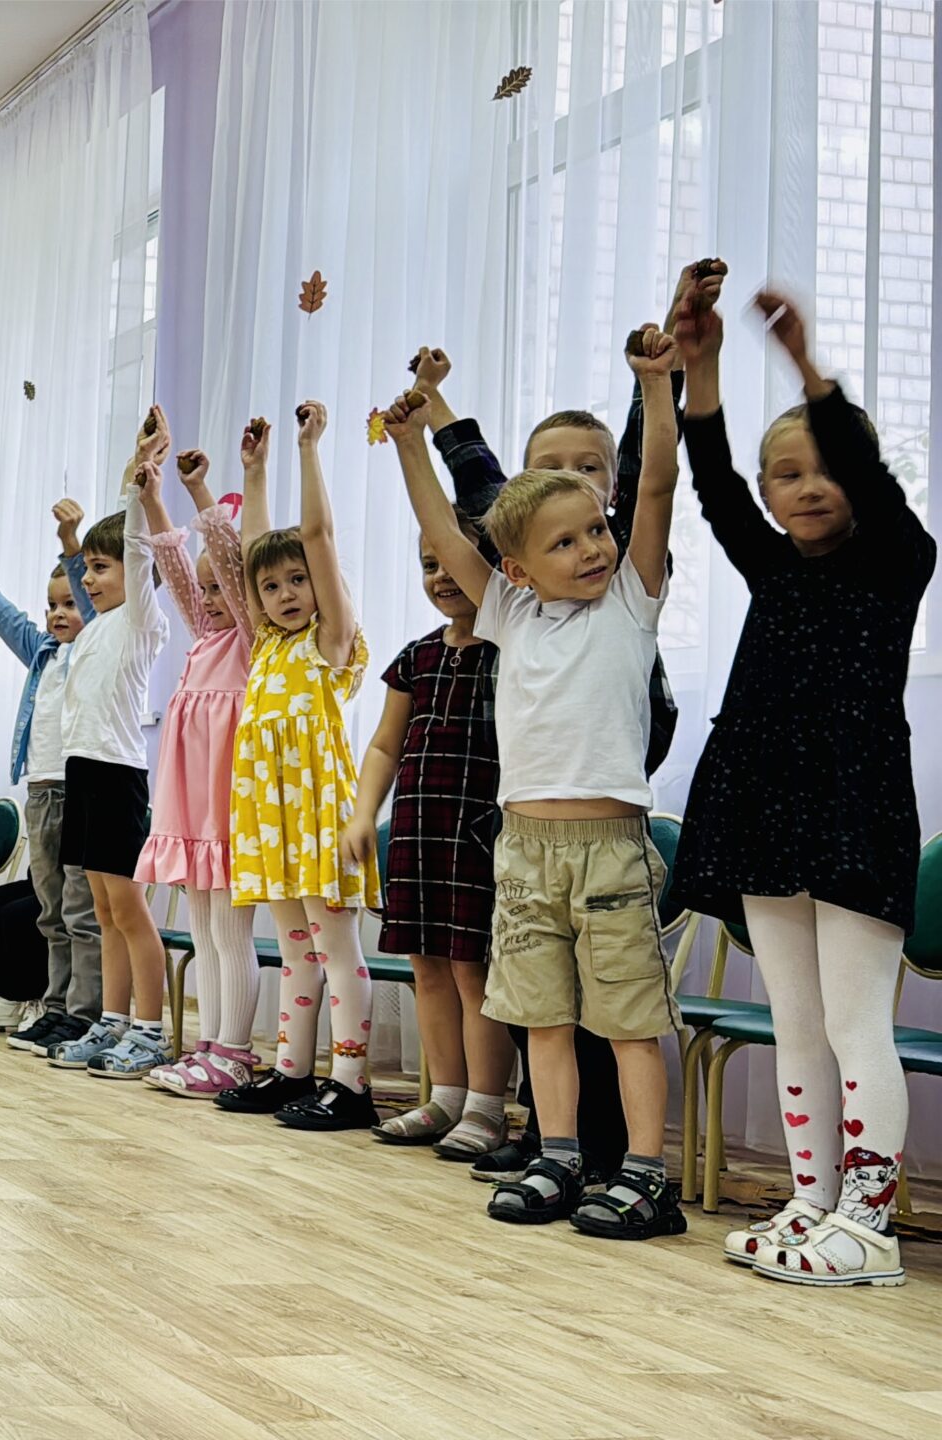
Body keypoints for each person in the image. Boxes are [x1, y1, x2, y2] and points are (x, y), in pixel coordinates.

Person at [393, 315, 688, 1241]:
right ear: (518, 569)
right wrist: (409, 445)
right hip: (523, 850)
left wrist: (655, 384)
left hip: (608, 851)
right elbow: (442, 527)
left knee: (627, 1021)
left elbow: (657, 485)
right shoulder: (508, 614)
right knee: (545, 1019)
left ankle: (646, 1173)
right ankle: (557, 1154)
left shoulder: (632, 600)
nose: (592, 548)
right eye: (565, 543)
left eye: (595, 530)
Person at [675, 273, 930, 1286]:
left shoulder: (898, 558)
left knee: (854, 1020)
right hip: (763, 804)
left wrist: (805, 365)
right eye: (787, 474)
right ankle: (813, 1201)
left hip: (854, 809)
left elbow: (863, 471)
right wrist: (700, 368)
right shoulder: (771, 566)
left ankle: (869, 1227)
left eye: (827, 468)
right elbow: (711, 483)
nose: (809, 486)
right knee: (796, 1021)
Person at [213, 405, 382, 1130]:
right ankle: (291, 1072)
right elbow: (254, 549)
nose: (284, 594)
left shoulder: (331, 640)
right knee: (292, 949)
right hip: (270, 816)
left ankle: (351, 1082)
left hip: (318, 813)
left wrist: (309, 449)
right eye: (272, 587)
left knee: (336, 948)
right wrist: (252, 473)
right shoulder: (267, 644)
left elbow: (318, 536)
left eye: (298, 581)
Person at [343, 513, 513, 1161]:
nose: (442, 576)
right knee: (427, 967)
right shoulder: (415, 658)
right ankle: (445, 1097)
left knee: (474, 970)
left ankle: (486, 1108)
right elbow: (385, 746)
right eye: (429, 563)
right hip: (418, 831)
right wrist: (363, 814)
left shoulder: (510, 651)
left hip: (479, 831)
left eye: (453, 561)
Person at [45, 412, 185, 1080]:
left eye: (102, 568)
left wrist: (137, 476)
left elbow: (137, 543)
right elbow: (93, 568)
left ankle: (150, 1032)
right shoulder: (96, 626)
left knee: (129, 910)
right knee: (102, 909)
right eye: (88, 569)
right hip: (82, 773)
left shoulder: (139, 621)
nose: (90, 579)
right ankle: (113, 1020)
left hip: (118, 776)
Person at [0, 515, 99, 1047]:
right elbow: (3, 613)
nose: (58, 613)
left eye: (70, 603)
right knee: (51, 911)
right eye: (52, 605)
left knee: (79, 910)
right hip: (42, 790)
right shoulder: (43, 653)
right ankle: (54, 1004)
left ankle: (83, 1011)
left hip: (81, 788)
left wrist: (72, 547)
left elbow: (92, 601)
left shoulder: (96, 645)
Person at [138, 442, 263, 1098]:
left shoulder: (249, 640)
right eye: (204, 589)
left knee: (230, 930)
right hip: (195, 807)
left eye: (221, 589)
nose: (210, 598)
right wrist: (152, 499)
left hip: (229, 806)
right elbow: (177, 568)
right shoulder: (205, 638)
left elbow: (232, 568)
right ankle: (209, 1046)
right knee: (205, 929)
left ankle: (235, 1052)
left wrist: (199, 491)